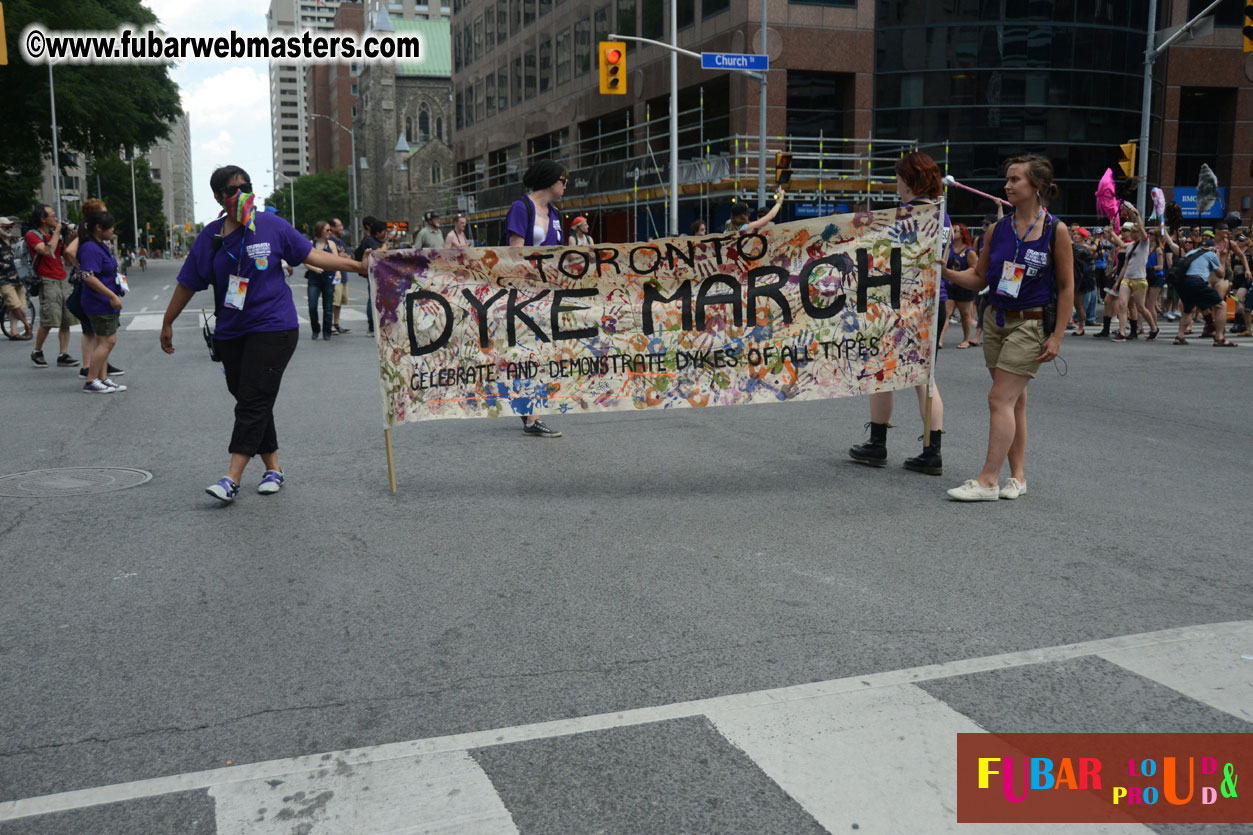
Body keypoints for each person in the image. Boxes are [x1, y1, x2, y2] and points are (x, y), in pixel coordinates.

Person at [159, 165, 369, 503]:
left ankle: (231, 477)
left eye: (247, 187)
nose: (242, 194)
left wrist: (358, 266)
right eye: (233, 190)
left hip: (274, 327)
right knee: (250, 398)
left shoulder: (272, 226)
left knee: (254, 398)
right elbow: (187, 282)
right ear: (218, 197)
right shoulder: (210, 237)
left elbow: (313, 255)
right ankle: (274, 469)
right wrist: (168, 322)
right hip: (231, 332)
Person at [941, 154, 1074, 501]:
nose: (1007, 185)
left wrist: (1057, 336)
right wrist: (948, 273)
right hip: (996, 320)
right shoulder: (997, 230)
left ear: (1037, 185)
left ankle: (988, 481)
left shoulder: (1055, 230)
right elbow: (979, 277)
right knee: (1014, 401)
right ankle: (1018, 477)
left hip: (1031, 324)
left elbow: (1066, 287)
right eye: (1008, 179)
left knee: (999, 398)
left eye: (1015, 179)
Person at [848, 152, 947, 476]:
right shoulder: (941, 214)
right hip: (932, 303)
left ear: (908, 180)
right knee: (925, 378)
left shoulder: (906, 216)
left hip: (899, 303)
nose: (896, 184)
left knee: (880, 372)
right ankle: (932, 449)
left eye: (899, 178)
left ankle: (877, 442)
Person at [505, 159, 568, 438]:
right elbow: (514, 254)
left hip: (547, 293)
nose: (566, 186)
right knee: (529, 351)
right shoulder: (522, 207)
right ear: (550, 180)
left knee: (541, 351)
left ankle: (528, 408)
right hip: (524, 292)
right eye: (563, 181)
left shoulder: (555, 214)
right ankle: (531, 416)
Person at [66, 198, 124, 379]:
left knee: (103, 338)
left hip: (103, 292)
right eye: (103, 212)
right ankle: (90, 373)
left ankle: (101, 377)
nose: (111, 226)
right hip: (95, 294)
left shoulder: (96, 240)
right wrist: (83, 268)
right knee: (98, 335)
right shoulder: (87, 239)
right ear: (97, 223)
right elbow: (70, 253)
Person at [75, 212, 127, 393]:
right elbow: (87, 276)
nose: (112, 230)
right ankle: (91, 380)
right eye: (110, 227)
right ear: (99, 228)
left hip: (105, 302)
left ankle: (102, 378)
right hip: (98, 302)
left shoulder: (99, 245)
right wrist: (111, 296)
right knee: (108, 341)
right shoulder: (90, 248)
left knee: (102, 341)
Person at [26, 204, 79, 369]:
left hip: (62, 278)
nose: (56, 219)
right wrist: (57, 232)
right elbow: (47, 251)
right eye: (53, 216)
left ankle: (63, 354)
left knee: (66, 319)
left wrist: (72, 239)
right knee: (49, 318)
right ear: (43, 219)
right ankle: (37, 351)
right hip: (47, 280)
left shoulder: (57, 236)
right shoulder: (32, 235)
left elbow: (67, 256)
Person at [1112, 219, 1153, 341]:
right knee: (1122, 304)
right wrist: (1118, 281)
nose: (1134, 234)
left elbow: (1142, 231)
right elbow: (1125, 266)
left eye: (1136, 232)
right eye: (1133, 232)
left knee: (1140, 307)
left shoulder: (1144, 244)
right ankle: (1122, 332)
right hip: (1126, 278)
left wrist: (1136, 215)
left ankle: (1154, 328)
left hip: (1139, 279)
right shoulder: (1130, 247)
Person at [940, 222, 977, 348]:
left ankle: (966, 339)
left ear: (962, 234)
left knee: (965, 314)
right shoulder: (949, 248)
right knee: (947, 313)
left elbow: (974, 268)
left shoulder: (969, 251)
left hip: (963, 285)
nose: (953, 233)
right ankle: (940, 339)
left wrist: (959, 275)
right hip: (949, 285)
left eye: (955, 231)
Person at [354, 216, 388, 337]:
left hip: (379, 273)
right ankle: (372, 327)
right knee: (372, 298)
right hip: (373, 273)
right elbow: (380, 253)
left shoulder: (374, 240)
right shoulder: (370, 240)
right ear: (378, 232)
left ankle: (378, 325)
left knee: (378, 298)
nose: (385, 234)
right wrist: (387, 241)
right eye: (384, 231)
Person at [0, 216, 32, 340]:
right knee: (15, 305)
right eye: (6, 227)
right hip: (4, 279)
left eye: (10, 226)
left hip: (19, 277)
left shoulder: (14, 240)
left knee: (20, 306)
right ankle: (27, 325)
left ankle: (13, 332)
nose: (9, 229)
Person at [305, 220, 337, 341]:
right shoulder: (310, 244)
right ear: (320, 230)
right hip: (314, 278)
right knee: (312, 306)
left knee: (328, 306)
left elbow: (337, 261)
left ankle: (327, 331)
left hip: (328, 277)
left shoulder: (331, 244)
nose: (330, 232)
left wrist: (338, 272)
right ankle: (315, 329)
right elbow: (305, 261)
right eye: (327, 230)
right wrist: (315, 269)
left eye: (330, 230)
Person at [327, 217, 351, 335]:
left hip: (343, 275)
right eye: (339, 225)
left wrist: (343, 256)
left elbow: (349, 257)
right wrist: (342, 257)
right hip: (334, 275)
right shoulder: (330, 241)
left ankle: (336, 323)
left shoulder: (341, 241)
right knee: (333, 300)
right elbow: (332, 258)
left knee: (340, 301)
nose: (342, 228)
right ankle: (329, 324)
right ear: (332, 227)